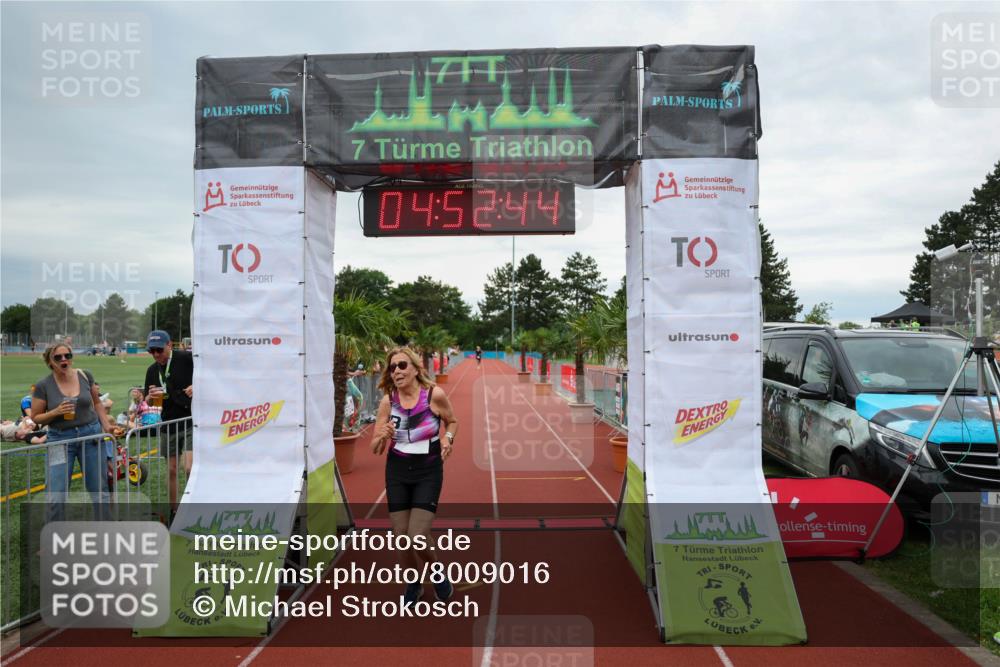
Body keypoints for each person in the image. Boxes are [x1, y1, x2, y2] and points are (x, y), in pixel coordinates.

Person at [371, 347, 459, 606]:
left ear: (415, 368)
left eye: (401, 365)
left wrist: (448, 438)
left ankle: (436, 572)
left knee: (417, 535)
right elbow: (375, 448)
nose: (396, 371)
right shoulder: (389, 401)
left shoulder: (434, 395)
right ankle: (414, 582)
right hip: (397, 472)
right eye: (392, 367)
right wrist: (383, 435)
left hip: (428, 471)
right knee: (401, 536)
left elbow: (453, 421)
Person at [31, 342, 115, 521]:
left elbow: (97, 403)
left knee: (99, 489)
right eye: (58, 357)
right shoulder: (43, 385)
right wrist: (55, 412)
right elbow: (36, 418)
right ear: (50, 361)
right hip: (59, 440)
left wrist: (107, 426)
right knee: (56, 492)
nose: (64, 360)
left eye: (67, 356)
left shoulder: (84, 375)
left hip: (91, 436)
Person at [143, 330, 194, 512]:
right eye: (152, 351)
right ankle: (174, 510)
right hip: (168, 423)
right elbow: (146, 400)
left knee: (189, 468)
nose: (156, 355)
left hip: (190, 420)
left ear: (169, 345)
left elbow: (208, 374)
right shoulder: (152, 370)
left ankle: (191, 508)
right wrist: (148, 397)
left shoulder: (187, 359)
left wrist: (196, 386)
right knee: (171, 469)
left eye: (159, 350)